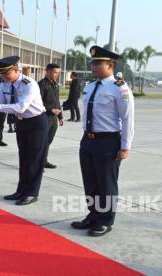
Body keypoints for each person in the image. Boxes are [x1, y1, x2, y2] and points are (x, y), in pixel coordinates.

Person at [70, 46, 134, 237]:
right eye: (93, 63)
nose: (94, 66)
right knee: (90, 181)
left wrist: (125, 147)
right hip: (88, 140)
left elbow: (128, 119)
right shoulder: (90, 86)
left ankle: (106, 220)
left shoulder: (120, 88)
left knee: (106, 183)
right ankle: (93, 215)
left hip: (108, 141)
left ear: (111, 65)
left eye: (98, 63)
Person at [0, 56, 48, 206]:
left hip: (37, 123)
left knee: (35, 159)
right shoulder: (4, 84)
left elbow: (20, 107)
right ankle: (21, 190)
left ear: (16, 70)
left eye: (6, 73)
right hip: (22, 123)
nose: (3, 77)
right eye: (1, 74)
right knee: (24, 158)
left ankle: (32, 193)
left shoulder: (29, 84)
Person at [39, 63, 65, 169]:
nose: (56, 75)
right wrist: (50, 109)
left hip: (53, 119)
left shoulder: (55, 85)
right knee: (42, 142)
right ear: (47, 71)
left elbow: (57, 102)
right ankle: (38, 163)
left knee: (48, 141)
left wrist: (60, 117)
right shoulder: (41, 84)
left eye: (58, 73)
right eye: (54, 72)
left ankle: (43, 161)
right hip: (44, 117)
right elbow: (38, 102)